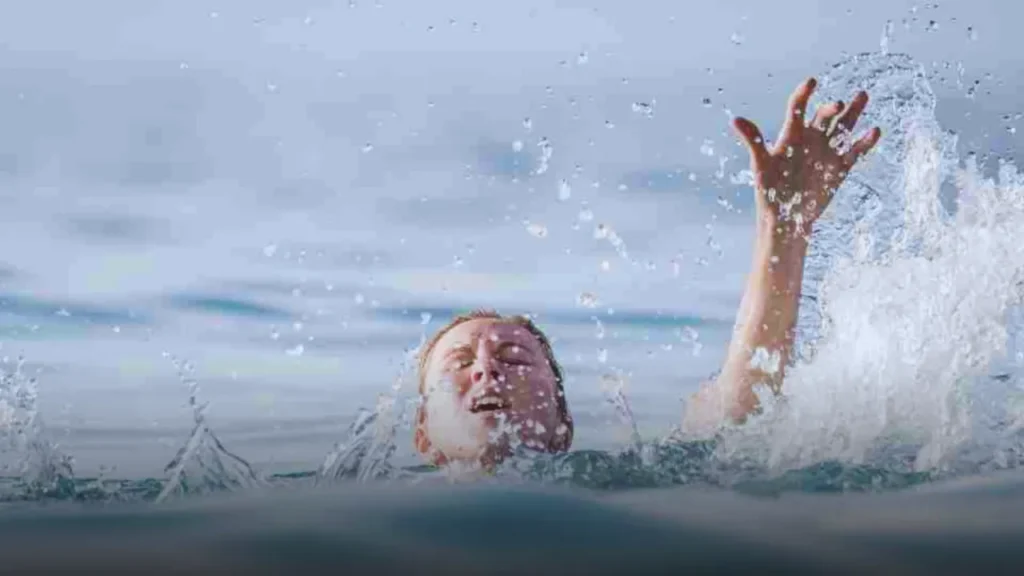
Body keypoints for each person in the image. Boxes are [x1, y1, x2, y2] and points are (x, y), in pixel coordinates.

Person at [413, 77, 882, 470]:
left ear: (561, 427)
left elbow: (732, 419)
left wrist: (783, 228)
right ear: (423, 436)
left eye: (515, 358)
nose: (486, 368)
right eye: (458, 363)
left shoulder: (612, 488)